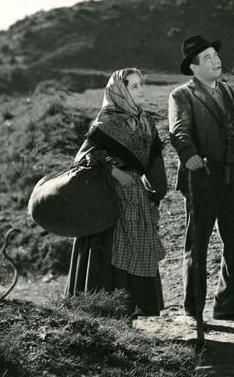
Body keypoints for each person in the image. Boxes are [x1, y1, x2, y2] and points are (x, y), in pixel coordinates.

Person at [168, 35, 234, 320]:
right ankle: (193, 311)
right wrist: (189, 154)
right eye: (207, 57)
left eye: (215, 55)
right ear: (194, 67)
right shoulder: (182, 95)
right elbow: (179, 131)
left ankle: (226, 303)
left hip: (231, 179)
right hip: (202, 180)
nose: (216, 60)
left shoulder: (226, 92)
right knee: (197, 246)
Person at [66, 67, 168, 318]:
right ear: (119, 91)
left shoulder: (145, 122)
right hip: (108, 198)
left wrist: (156, 192)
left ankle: (130, 314)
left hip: (136, 197)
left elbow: (155, 158)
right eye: (133, 86)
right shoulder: (106, 121)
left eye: (141, 84)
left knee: (137, 252)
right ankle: (105, 314)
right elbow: (84, 158)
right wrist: (115, 172)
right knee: (109, 256)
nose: (141, 89)